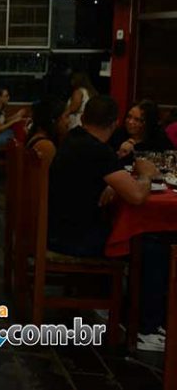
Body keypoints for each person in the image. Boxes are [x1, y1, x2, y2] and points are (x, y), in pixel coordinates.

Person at [47, 95, 168, 351]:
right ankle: (145, 329)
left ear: (84, 117)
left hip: (56, 230)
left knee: (144, 240)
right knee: (152, 246)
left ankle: (120, 311)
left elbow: (102, 176)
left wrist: (113, 183)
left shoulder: (74, 138)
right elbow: (137, 196)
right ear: (114, 123)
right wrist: (146, 175)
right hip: (75, 239)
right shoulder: (98, 151)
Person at [109, 100, 173, 165]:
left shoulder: (159, 141)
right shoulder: (117, 136)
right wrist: (120, 154)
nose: (130, 122)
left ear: (149, 122)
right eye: (129, 116)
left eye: (137, 120)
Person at [25, 97, 69, 163]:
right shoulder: (45, 145)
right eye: (66, 116)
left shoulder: (39, 138)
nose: (69, 121)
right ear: (54, 120)